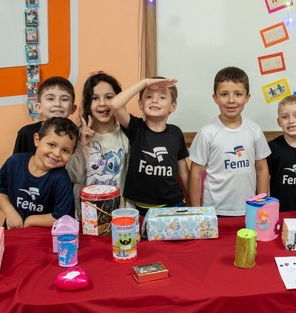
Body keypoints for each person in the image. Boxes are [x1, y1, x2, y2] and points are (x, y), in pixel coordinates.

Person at [188, 66, 270, 216]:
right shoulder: (207, 133)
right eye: (224, 94)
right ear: (215, 98)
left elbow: (262, 168)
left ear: (247, 97)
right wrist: (196, 212)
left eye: (238, 94)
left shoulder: (255, 130)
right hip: (214, 211)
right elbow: (195, 174)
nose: (231, 100)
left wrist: (261, 205)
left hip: (249, 208)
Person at [109, 76, 190, 216]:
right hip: (139, 208)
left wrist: (196, 204)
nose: (154, 100)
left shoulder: (176, 133)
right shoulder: (135, 127)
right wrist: (144, 83)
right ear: (140, 104)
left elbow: (184, 172)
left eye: (162, 97)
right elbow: (115, 104)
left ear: (173, 106)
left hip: (173, 205)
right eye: (149, 96)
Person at [0, 117, 77, 228]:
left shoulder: (62, 179)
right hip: (13, 232)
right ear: (37, 139)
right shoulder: (14, 162)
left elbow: (61, 217)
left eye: (65, 150)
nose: (57, 153)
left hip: (44, 237)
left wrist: (31, 220)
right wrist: (10, 213)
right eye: (52, 145)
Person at [66, 72, 130, 215]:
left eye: (109, 97)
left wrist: (128, 214)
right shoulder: (77, 136)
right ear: (89, 103)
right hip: (85, 216)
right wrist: (83, 145)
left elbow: (131, 183)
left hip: (117, 216)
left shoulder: (126, 137)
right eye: (95, 98)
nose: (102, 103)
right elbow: (74, 176)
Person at [12, 76, 77, 154]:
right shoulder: (26, 133)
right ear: (39, 107)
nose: (57, 104)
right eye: (50, 99)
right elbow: (17, 163)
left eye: (64, 99)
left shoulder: (77, 135)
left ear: (73, 109)